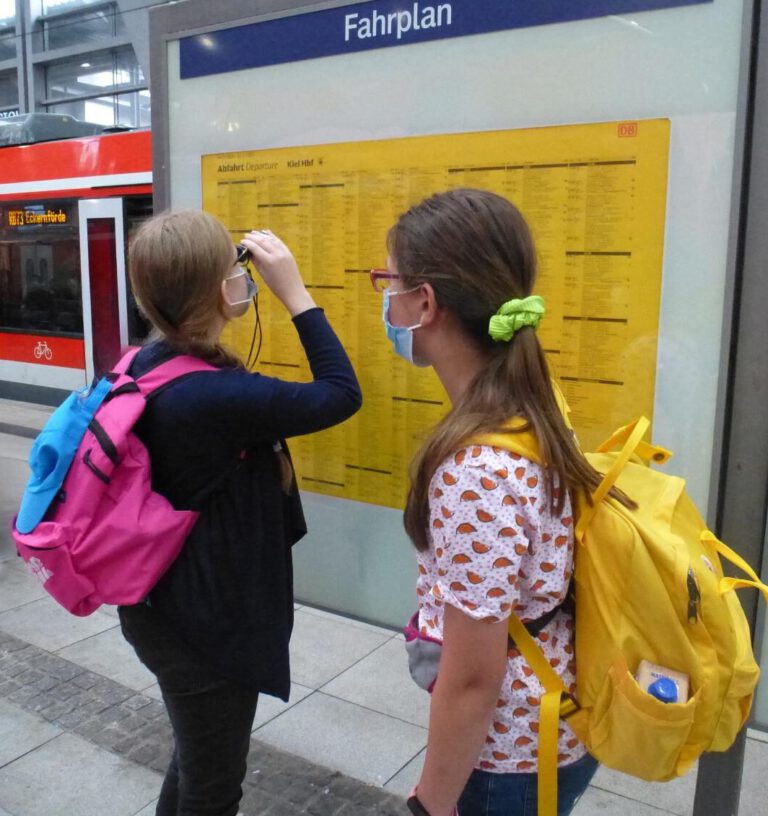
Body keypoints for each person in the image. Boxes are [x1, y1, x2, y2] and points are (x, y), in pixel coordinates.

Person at [376, 188, 629, 816]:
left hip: (506, 760)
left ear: (425, 303)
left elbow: (470, 680)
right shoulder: (532, 408)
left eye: (390, 282)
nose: (386, 300)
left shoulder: (475, 472)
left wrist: (429, 803)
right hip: (554, 720)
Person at [117, 210, 362, 816]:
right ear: (223, 289)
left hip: (163, 606)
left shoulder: (149, 363)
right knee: (214, 786)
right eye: (237, 271)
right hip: (204, 628)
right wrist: (296, 293)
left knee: (197, 755)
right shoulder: (216, 396)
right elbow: (340, 393)